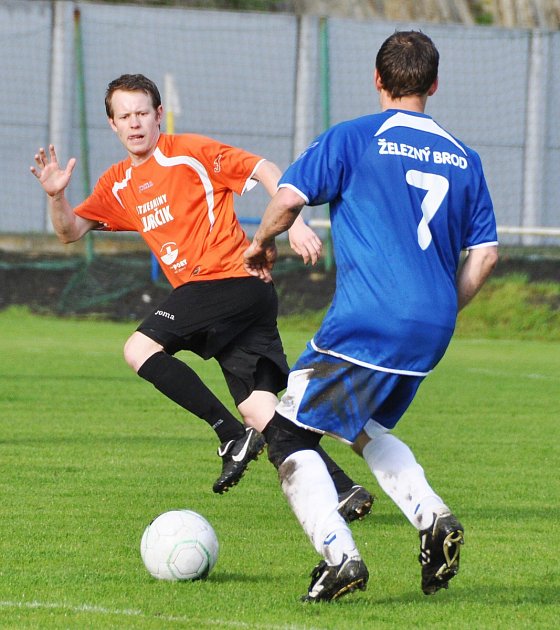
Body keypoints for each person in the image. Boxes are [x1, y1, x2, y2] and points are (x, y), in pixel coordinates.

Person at [30, 73, 373, 519]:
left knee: (139, 348)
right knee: (261, 411)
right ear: (112, 125)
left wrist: (297, 223)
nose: (134, 124)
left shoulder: (188, 153)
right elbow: (69, 232)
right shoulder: (117, 183)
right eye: (123, 116)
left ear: (158, 116)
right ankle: (344, 489)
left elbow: (265, 169)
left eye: (141, 113)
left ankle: (228, 435)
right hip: (239, 300)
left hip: (228, 280)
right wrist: (57, 197)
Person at [244, 30, 499, 602]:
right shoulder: (465, 157)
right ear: (434, 84)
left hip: (368, 319)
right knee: (359, 426)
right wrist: (441, 307)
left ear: (378, 80)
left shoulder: (357, 136)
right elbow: (485, 253)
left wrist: (260, 243)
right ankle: (432, 518)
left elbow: (287, 200)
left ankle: (341, 559)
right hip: (431, 329)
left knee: (285, 431)